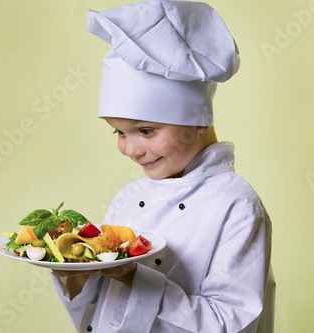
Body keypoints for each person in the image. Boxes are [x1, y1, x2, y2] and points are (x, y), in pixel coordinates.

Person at [51, 0, 276, 332]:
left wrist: (133, 276)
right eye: (119, 132)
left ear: (198, 119)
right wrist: (73, 273)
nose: (131, 149)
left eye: (146, 131)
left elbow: (233, 323)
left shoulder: (236, 206)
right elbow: (97, 316)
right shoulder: (127, 197)